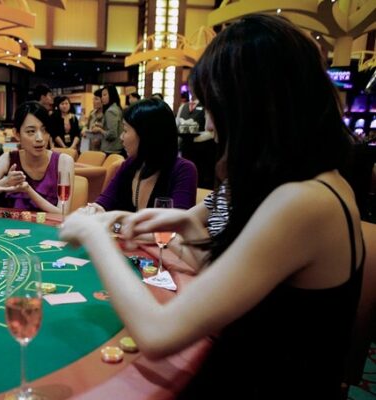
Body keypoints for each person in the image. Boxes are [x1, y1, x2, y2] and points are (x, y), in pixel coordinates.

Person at [60, 14, 361, 399]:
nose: (209, 124)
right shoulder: (287, 179)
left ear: (251, 107)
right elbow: (231, 272)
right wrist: (184, 223)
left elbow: (158, 333)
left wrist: (95, 236)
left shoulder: (304, 201)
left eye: (213, 106)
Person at [85, 98, 197, 218]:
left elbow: (178, 223)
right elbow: (103, 202)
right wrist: (94, 210)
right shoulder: (129, 165)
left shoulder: (183, 170)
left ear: (146, 134)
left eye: (125, 130)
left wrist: (118, 221)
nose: (121, 137)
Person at [0, 101, 75, 213]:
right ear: (17, 134)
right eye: (31, 131)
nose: (40, 138)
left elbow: (63, 213)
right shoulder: (9, 159)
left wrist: (28, 190)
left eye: (44, 130)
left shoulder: (64, 161)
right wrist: (5, 182)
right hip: (12, 224)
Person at [98, 85, 124, 155]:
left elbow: (112, 134)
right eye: (102, 95)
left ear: (112, 95)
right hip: (116, 149)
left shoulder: (111, 111)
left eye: (105, 95)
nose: (102, 98)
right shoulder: (116, 108)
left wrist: (100, 130)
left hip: (111, 149)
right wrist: (101, 126)